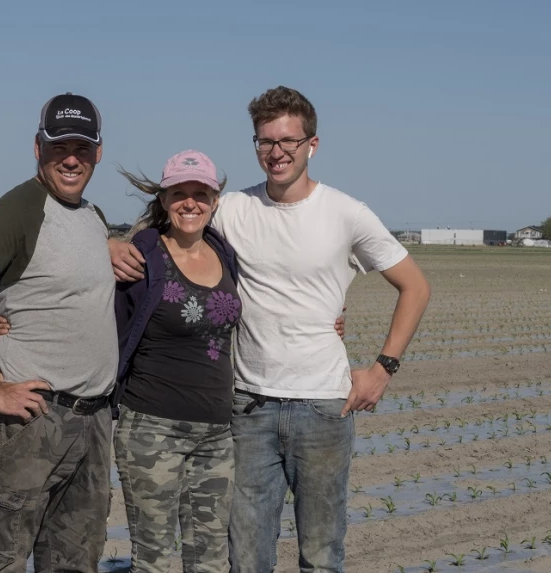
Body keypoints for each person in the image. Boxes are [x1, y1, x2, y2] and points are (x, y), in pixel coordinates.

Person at [110, 86, 432, 573]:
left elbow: (415, 287)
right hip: (247, 406)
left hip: (324, 406)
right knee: (245, 557)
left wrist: (382, 369)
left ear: (312, 145)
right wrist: (109, 243)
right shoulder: (234, 209)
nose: (276, 152)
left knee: (322, 554)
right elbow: (174, 222)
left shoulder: (348, 213)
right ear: (255, 145)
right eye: (265, 142)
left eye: (287, 141)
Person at [0, 149, 347, 573]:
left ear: (215, 200)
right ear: (163, 198)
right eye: (179, 193)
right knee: (154, 560)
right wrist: (9, 327)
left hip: (216, 433)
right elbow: (87, 307)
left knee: (210, 560)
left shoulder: (225, 251)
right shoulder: (142, 254)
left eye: (200, 193)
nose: (189, 202)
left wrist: (328, 320)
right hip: (152, 430)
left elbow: (280, 290)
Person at [0, 92, 118, 573]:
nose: (71, 158)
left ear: (99, 151)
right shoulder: (19, 209)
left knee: (75, 561)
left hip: (92, 420)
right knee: (0, 559)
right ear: (38, 148)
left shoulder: (92, 216)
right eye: (59, 147)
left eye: (82, 146)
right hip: (34, 421)